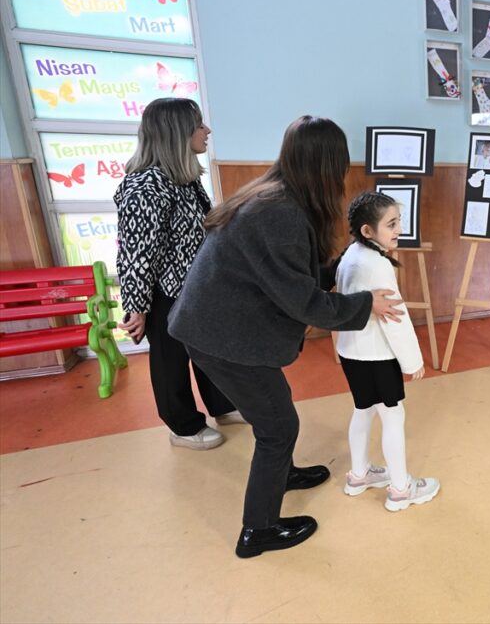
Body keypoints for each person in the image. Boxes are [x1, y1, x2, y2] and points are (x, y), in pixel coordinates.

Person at [168, 116, 405, 558]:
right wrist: (365, 304)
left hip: (217, 324)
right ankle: (257, 531)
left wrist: (339, 266)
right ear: (327, 166)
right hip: (221, 335)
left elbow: (286, 276)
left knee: (274, 410)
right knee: (278, 427)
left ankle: (283, 473)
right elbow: (303, 303)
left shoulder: (274, 193)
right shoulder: (280, 213)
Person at [114, 98, 241, 451]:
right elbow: (136, 253)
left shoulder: (183, 178)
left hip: (197, 288)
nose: (207, 130)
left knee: (210, 350)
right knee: (171, 361)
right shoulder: (145, 186)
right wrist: (137, 307)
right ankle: (183, 427)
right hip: (165, 293)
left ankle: (222, 406)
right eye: (199, 125)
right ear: (177, 132)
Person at [337, 192, 440, 512]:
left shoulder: (351, 253)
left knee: (363, 409)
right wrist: (413, 361)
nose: (399, 230)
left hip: (350, 352)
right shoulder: (378, 264)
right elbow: (396, 318)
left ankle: (359, 475)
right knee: (393, 415)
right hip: (376, 356)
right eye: (391, 224)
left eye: (398, 222)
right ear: (367, 230)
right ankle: (400, 489)